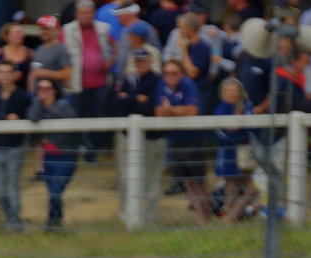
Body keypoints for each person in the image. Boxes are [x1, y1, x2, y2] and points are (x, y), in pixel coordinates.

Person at [111, 46, 163, 224]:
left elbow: (150, 107)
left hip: (151, 137)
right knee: (126, 176)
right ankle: (126, 214)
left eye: (143, 61)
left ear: (150, 62)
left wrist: (128, 99)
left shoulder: (158, 80)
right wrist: (135, 98)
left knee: (151, 179)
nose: (140, 64)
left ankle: (150, 218)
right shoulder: (129, 79)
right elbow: (115, 103)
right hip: (126, 136)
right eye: (137, 61)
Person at [156, 57, 208, 223]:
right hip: (175, 139)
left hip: (193, 139)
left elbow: (192, 111)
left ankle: (206, 216)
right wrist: (178, 110)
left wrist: (171, 110)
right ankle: (200, 217)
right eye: (167, 73)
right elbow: (159, 112)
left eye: (174, 73)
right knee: (187, 182)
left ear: (181, 73)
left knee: (199, 181)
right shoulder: (162, 86)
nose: (170, 76)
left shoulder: (188, 84)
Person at [62, 0, 113, 162]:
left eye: (90, 12)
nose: (87, 16)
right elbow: (63, 55)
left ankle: (92, 152)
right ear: (77, 14)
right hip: (77, 82)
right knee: (75, 117)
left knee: (98, 118)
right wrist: (65, 76)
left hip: (100, 82)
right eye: (84, 13)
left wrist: (112, 60)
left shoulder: (104, 28)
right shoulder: (67, 29)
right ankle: (76, 149)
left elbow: (115, 46)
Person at [27, 77, 78, 229]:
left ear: (55, 90)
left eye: (47, 89)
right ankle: (54, 223)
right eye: (40, 89)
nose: (43, 92)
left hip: (66, 155)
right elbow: (32, 117)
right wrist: (38, 102)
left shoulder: (63, 105)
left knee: (56, 191)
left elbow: (71, 123)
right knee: (52, 193)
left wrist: (48, 136)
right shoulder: (36, 105)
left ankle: (53, 222)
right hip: (48, 156)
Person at [0, 59, 29, 230]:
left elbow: (30, 117)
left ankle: (14, 222)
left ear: (15, 75)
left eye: (8, 72)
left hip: (15, 147)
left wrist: (20, 120)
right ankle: (14, 219)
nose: (4, 76)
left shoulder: (22, 96)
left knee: (13, 186)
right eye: (1, 72)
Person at [213, 76, 256, 223]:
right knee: (231, 187)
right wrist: (237, 131)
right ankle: (229, 217)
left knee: (250, 189)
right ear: (222, 93)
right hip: (228, 153)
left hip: (245, 153)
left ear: (240, 92)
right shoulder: (220, 109)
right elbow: (223, 134)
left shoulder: (247, 107)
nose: (231, 93)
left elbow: (253, 128)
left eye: (234, 90)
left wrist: (237, 128)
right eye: (228, 90)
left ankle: (231, 216)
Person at [29, 14, 71, 92]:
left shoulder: (61, 49)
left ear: (57, 31)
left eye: (47, 29)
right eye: (42, 29)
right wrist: (30, 92)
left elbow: (68, 73)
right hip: (38, 94)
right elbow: (33, 73)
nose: (43, 31)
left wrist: (47, 73)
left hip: (54, 94)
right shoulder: (39, 48)